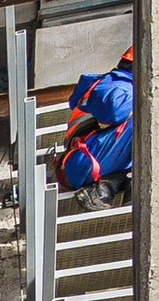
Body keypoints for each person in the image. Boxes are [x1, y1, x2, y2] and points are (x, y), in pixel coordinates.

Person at [54, 46, 133, 205]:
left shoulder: (121, 83)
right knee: (152, 115)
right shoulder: (116, 83)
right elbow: (113, 110)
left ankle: (108, 187)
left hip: (89, 162)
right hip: (83, 162)